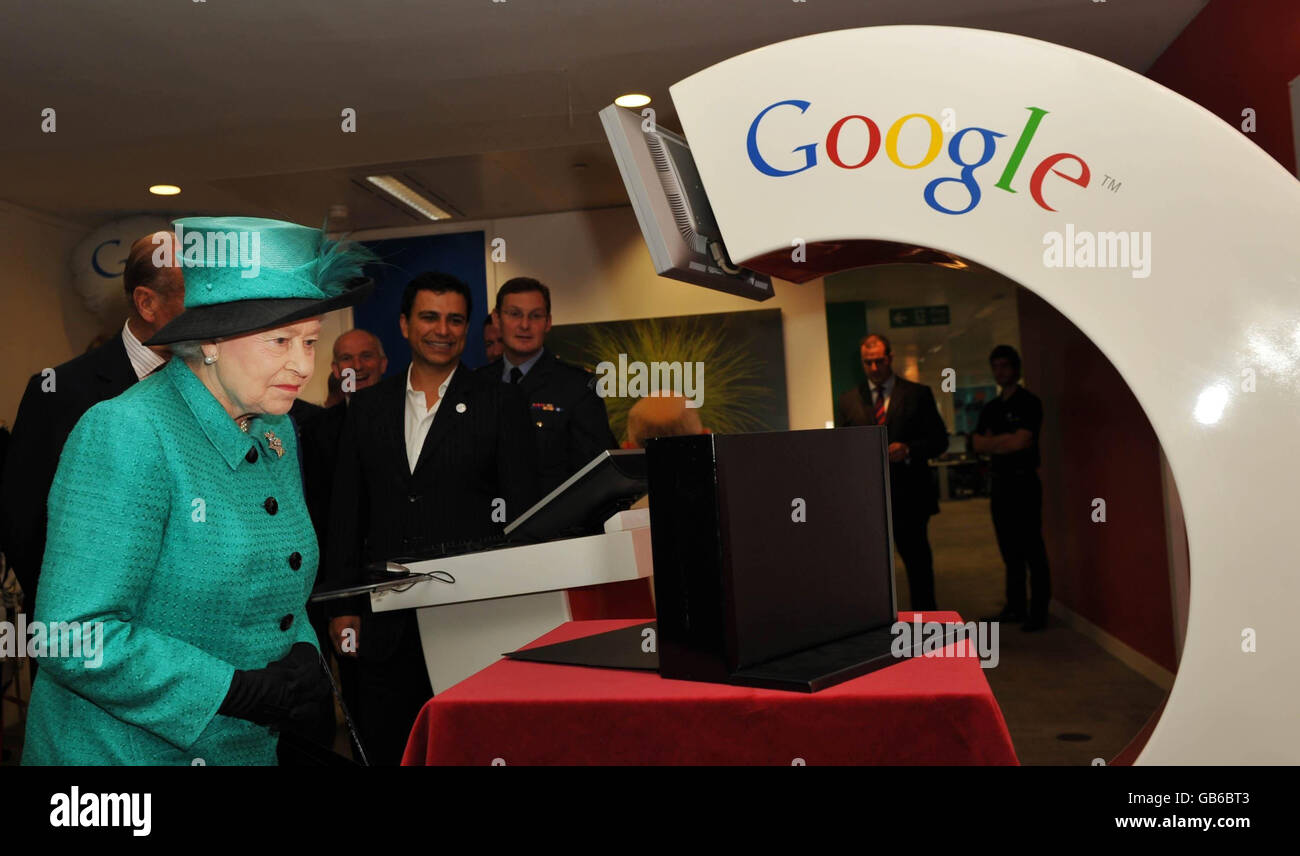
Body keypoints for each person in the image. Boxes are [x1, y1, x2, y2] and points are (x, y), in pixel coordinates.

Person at [20, 216, 373, 765]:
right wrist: (230, 689)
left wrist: (301, 649)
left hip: (246, 747)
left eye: (311, 341)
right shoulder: (128, 433)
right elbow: (71, 636)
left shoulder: (271, 423)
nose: (303, 365)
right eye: (280, 341)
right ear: (210, 340)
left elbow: (280, 574)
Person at [325, 271, 537, 766]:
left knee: (470, 747)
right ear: (404, 325)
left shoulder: (500, 403)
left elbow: (523, 512)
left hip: (472, 617)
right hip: (384, 622)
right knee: (389, 747)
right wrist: (343, 605)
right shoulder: (369, 407)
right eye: (429, 317)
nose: (442, 329)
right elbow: (347, 510)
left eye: (455, 319)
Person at [1, 231, 185, 622]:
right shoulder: (58, 392)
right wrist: (70, 614)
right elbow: (22, 519)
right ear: (146, 303)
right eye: (194, 299)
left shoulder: (215, 385)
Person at [835, 334, 949, 611]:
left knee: (918, 565)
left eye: (879, 361)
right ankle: (877, 628)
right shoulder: (849, 401)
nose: (874, 368)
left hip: (910, 496)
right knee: (871, 571)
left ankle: (927, 625)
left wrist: (908, 449)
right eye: (868, 363)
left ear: (890, 358)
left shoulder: (917, 394)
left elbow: (939, 441)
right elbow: (842, 450)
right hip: (868, 500)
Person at [476, 277, 616, 494]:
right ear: (496, 319)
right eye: (514, 314)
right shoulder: (476, 385)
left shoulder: (577, 387)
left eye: (535, 316)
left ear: (548, 322)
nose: (524, 325)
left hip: (553, 522)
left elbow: (598, 475)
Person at [973, 345, 1051, 632]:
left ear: (1016, 369)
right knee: (1009, 550)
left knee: (1032, 548)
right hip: (1000, 484)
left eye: (1004, 366)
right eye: (995, 366)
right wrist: (1005, 441)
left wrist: (997, 442)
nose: (1000, 372)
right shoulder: (991, 408)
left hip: (1024, 482)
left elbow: (1023, 441)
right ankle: (1015, 607)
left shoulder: (1030, 402)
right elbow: (977, 444)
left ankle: (1038, 611)